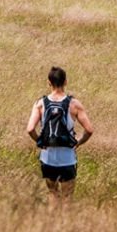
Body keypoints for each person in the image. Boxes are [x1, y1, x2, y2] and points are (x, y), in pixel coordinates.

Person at [26, 66, 94, 205]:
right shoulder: (74, 104)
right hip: (68, 158)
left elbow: (30, 129)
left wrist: (41, 141)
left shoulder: (40, 104)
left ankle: (52, 224)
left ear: (48, 82)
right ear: (66, 82)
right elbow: (89, 130)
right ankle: (66, 225)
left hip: (48, 157)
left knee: (53, 193)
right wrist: (78, 142)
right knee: (67, 196)